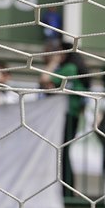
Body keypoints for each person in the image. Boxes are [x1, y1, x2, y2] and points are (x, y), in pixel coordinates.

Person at [39, 39, 91, 196]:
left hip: (66, 117)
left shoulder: (69, 68)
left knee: (62, 152)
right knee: (63, 151)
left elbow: (44, 80)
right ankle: (66, 189)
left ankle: (66, 190)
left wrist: (52, 62)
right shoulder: (76, 68)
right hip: (71, 116)